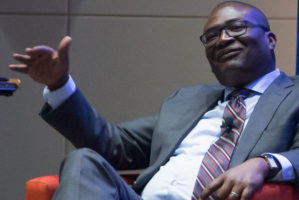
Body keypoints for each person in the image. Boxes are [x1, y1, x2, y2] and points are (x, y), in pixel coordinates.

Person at [9, 1, 299, 200]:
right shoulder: (187, 101)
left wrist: (265, 163)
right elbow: (110, 144)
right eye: (211, 35)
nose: (222, 39)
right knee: (84, 160)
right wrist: (58, 84)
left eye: (236, 28)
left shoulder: (292, 95)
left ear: (270, 39)